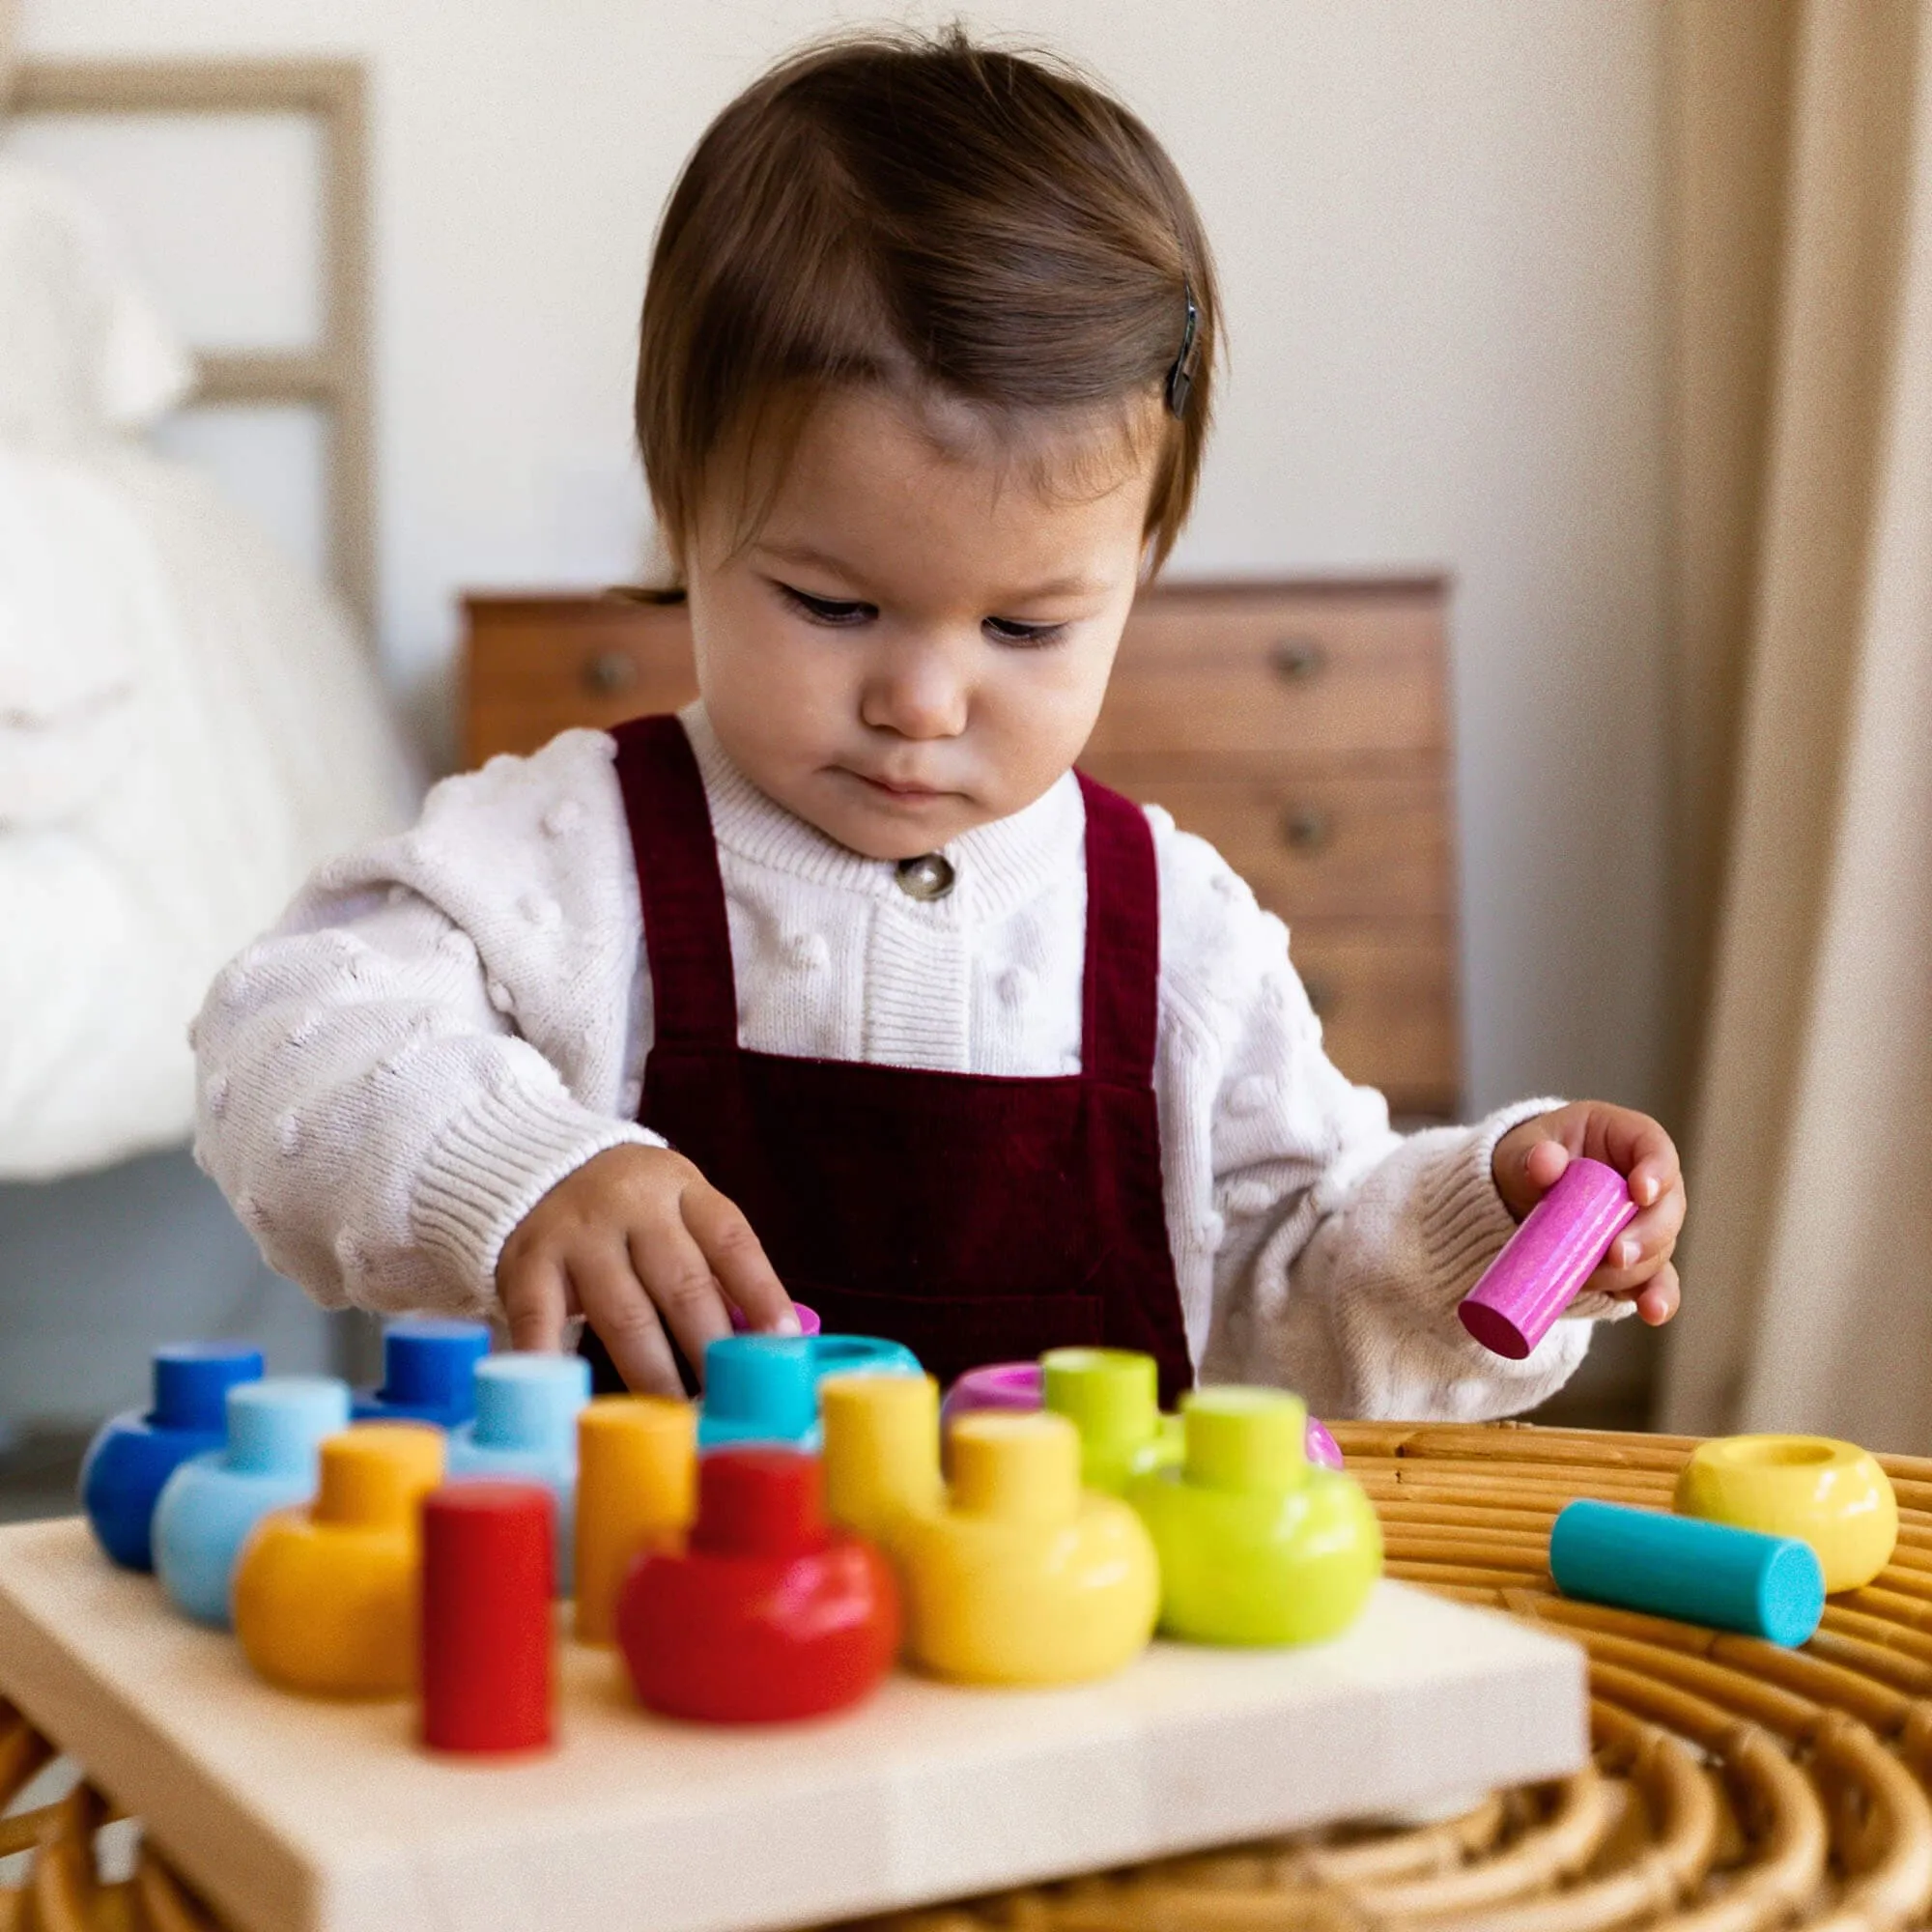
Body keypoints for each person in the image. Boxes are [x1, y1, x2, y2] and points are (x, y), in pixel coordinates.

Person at [192, 29, 1685, 1419]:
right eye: (831, 606)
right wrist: (514, 1172)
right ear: (686, 513)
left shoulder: (1175, 932)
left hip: (1071, 1672)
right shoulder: (572, 854)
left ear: (1137, 572)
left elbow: (1295, 1283)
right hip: (639, 1658)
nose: (922, 700)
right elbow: (284, 1041)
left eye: (1027, 628)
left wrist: (1489, 1209)